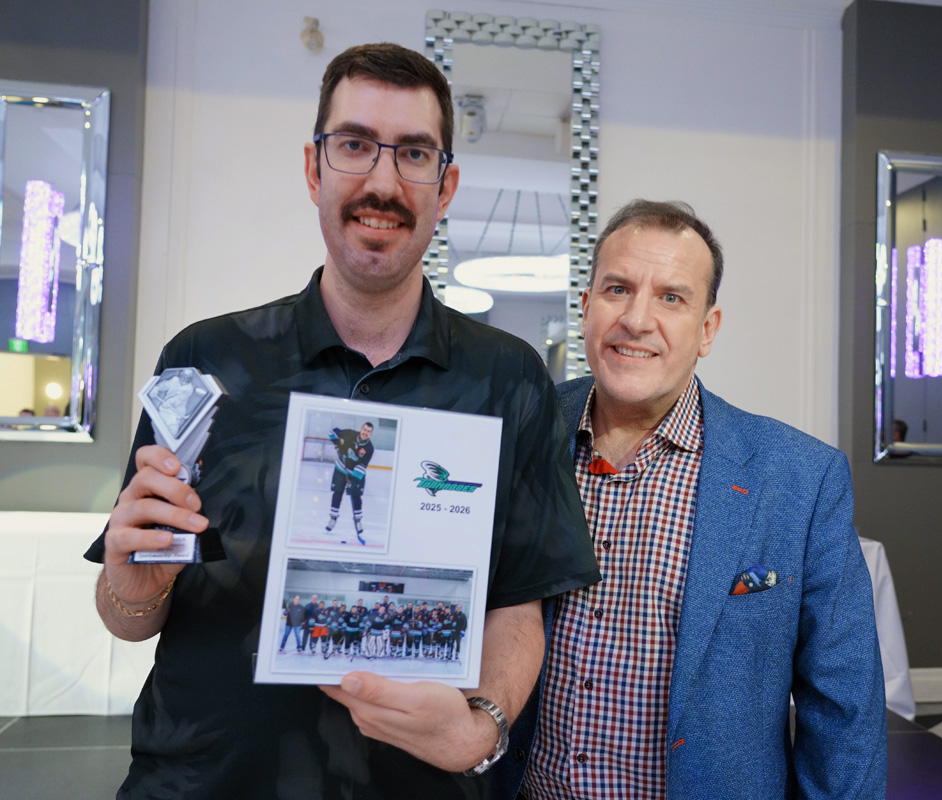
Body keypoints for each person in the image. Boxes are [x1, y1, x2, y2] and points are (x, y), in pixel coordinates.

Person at [84, 41, 598, 799]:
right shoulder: (205, 362)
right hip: (204, 783)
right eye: (355, 145)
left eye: (414, 154)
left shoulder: (511, 379)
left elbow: (520, 602)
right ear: (313, 168)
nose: (383, 182)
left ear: (446, 186)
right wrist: (134, 587)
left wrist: (481, 728)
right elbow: (129, 616)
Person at [510, 200, 887, 799]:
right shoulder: (518, 432)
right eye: (617, 289)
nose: (637, 319)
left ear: (707, 329)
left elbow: (844, 710)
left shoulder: (799, 479)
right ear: (585, 307)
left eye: (671, 297)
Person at [325, 422, 375, 542]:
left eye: (368, 431)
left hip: (356, 473)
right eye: (364, 430)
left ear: (371, 434)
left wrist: (352, 480)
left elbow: (362, 466)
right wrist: (338, 442)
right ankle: (333, 519)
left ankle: (358, 521)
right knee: (337, 493)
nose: (365, 433)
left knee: (356, 495)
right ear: (361, 429)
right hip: (340, 468)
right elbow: (332, 432)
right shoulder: (350, 434)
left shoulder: (369, 448)